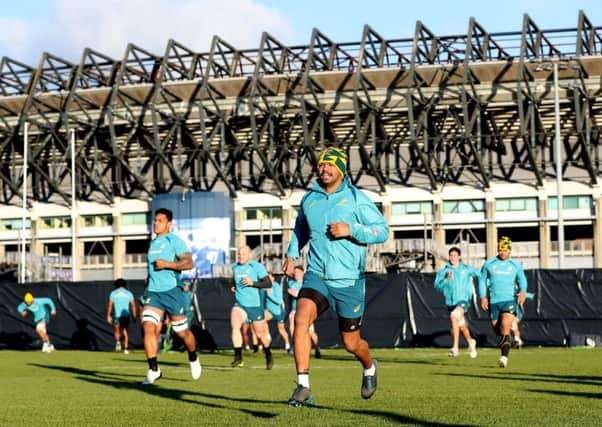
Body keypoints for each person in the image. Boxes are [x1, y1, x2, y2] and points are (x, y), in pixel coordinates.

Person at [283, 147, 389, 406]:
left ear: (341, 169)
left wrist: (351, 229)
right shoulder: (310, 199)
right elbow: (301, 228)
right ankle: (303, 385)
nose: (324, 169)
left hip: (348, 280)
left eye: (330, 165)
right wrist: (291, 254)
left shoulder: (355, 198)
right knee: (301, 317)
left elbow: (382, 231)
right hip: (316, 275)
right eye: (321, 165)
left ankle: (369, 366)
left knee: (351, 343)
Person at [141, 208, 201, 384]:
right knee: (148, 328)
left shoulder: (174, 241)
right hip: (153, 293)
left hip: (172, 291)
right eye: (155, 220)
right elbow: (152, 269)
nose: (156, 223)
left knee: (181, 331)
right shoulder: (153, 243)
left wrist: (167, 264)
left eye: (160, 221)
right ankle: (154, 370)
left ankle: (193, 356)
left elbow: (189, 263)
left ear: (169, 224)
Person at [479, 236, 528, 368]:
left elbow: (522, 279)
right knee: (498, 329)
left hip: (509, 300)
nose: (502, 252)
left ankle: (504, 357)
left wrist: (523, 291)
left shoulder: (515, 265)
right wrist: (483, 296)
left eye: (505, 250)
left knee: (505, 325)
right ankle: (508, 339)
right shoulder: (489, 264)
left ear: (509, 251)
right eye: (500, 249)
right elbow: (482, 280)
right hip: (494, 301)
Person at [230, 244, 274, 369]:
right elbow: (235, 281)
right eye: (239, 254)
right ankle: (238, 357)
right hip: (240, 304)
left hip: (254, 305)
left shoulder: (256, 266)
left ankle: (268, 354)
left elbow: (268, 283)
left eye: (243, 254)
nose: (240, 256)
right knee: (235, 325)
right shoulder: (234, 267)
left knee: (261, 335)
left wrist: (252, 283)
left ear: (249, 255)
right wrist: (234, 286)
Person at [434, 247, 479, 358]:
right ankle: (471, 342)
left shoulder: (466, 268)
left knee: (454, 315)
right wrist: (445, 279)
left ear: (459, 257)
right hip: (450, 302)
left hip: (464, 300)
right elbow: (437, 287)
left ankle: (455, 347)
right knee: (461, 325)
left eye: (455, 255)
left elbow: (481, 275)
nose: (452, 257)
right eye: (451, 255)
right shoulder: (444, 271)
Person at [287, 266, 320, 358]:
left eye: (297, 272)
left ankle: (317, 348)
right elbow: (290, 294)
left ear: (302, 273)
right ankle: (294, 347)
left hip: (305, 311)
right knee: (292, 329)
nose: (295, 274)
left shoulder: (306, 283)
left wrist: (297, 294)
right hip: (294, 310)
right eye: (294, 272)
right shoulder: (291, 283)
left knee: (310, 331)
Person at [106, 278, 137, 354]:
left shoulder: (113, 293)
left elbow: (110, 305)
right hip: (126, 316)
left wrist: (108, 315)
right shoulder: (129, 293)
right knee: (125, 331)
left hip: (117, 315)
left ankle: (118, 342)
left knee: (117, 330)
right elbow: (133, 305)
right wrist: (134, 316)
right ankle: (126, 349)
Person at [264, 271, 291, 351]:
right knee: (262, 318)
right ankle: (268, 336)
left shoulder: (276, 286)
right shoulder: (264, 287)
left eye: (269, 277)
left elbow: (279, 301)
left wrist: (270, 295)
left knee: (281, 330)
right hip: (269, 311)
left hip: (279, 312)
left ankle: (287, 343)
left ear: (273, 278)